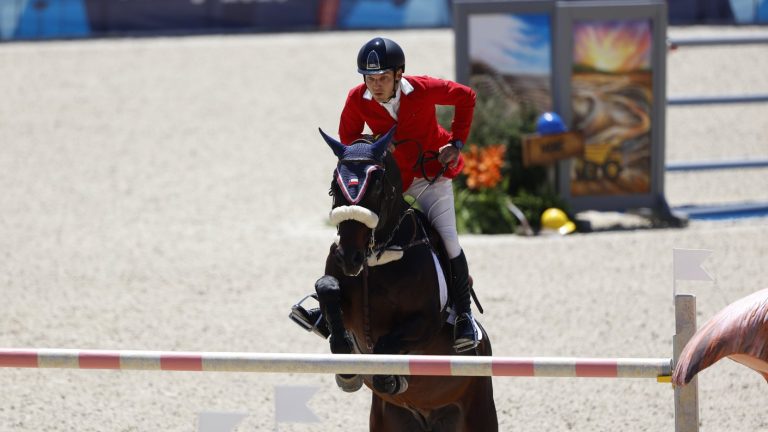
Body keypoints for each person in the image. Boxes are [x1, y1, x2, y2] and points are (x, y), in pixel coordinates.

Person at [295, 37, 479, 352]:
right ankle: (327, 309)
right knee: (355, 228)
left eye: (382, 78)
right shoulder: (357, 98)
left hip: (429, 176)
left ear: (399, 74)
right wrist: (372, 144)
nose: (376, 85)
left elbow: (467, 97)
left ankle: (463, 315)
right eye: (369, 78)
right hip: (390, 181)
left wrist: (457, 142)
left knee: (449, 241)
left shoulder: (423, 89)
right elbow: (348, 139)